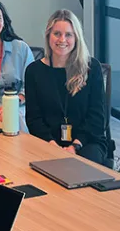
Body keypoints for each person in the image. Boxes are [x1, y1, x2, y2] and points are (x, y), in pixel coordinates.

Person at [25, 9, 110, 166]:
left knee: (79, 169)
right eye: (57, 34)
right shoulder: (34, 71)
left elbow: (97, 118)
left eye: (68, 35)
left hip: (87, 142)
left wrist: (74, 146)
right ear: (48, 35)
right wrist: (52, 146)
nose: (62, 39)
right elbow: (34, 119)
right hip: (47, 142)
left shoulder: (91, 68)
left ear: (76, 38)